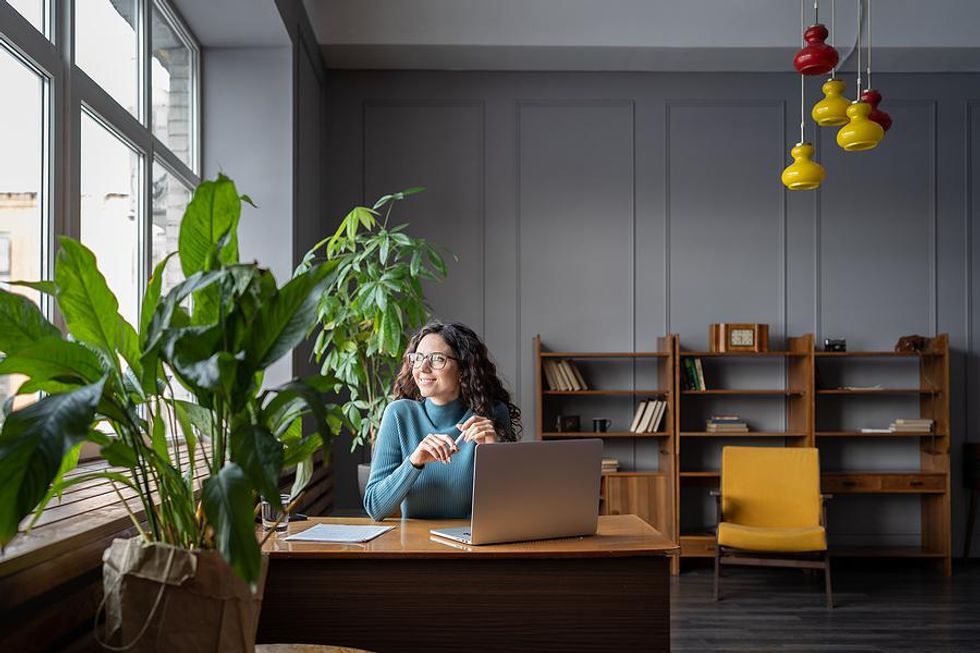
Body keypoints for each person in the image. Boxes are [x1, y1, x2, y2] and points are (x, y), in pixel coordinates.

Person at [363, 320, 522, 521]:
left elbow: (511, 508)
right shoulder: (399, 415)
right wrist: (415, 461)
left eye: (437, 359)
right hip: (414, 548)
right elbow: (375, 508)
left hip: (474, 546)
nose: (423, 368)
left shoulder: (491, 415)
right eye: (417, 358)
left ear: (463, 368)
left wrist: (493, 452)